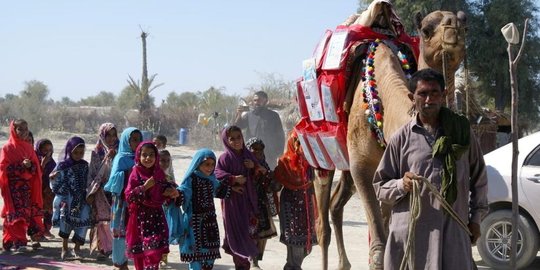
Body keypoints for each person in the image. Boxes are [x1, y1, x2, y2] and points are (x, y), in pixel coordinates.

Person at [372, 68, 488, 269]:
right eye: (422, 94)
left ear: (443, 95)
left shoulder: (462, 133)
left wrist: (476, 219)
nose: (429, 99)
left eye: (434, 93)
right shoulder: (401, 139)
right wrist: (402, 184)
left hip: (454, 232)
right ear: (412, 97)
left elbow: (479, 179)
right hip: (413, 237)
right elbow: (380, 187)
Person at [177, 148, 242, 270]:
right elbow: (183, 193)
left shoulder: (211, 180)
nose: (210, 168)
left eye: (212, 165)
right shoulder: (191, 180)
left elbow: (219, 190)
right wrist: (176, 195)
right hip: (193, 225)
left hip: (209, 225)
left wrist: (232, 189)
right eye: (206, 164)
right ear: (198, 163)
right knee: (195, 260)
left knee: (209, 259)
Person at [214, 126, 266, 270]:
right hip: (233, 204)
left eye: (239, 137)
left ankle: (246, 264)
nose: (237, 141)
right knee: (236, 233)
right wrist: (233, 180)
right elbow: (217, 176)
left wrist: (253, 167)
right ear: (226, 140)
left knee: (249, 234)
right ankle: (241, 265)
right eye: (232, 138)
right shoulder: (225, 158)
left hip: (249, 202)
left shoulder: (248, 155)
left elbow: (260, 174)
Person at [124, 141, 179, 270]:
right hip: (139, 219)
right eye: (144, 155)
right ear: (138, 156)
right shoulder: (135, 173)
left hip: (156, 218)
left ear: (156, 157)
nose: (148, 158)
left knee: (154, 251)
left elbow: (165, 190)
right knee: (140, 254)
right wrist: (144, 187)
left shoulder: (159, 174)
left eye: (151, 155)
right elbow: (129, 196)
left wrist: (172, 192)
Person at [273, 131, 318, 270]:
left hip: (306, 203)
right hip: (290, 206)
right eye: (297, 142)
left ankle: (292, 265)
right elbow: (277, 185)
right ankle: (293, 266)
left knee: (306, 245)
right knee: (293, 240)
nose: (300, 146)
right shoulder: (284, 162)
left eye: (303, 142)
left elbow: (317, 182)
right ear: (291, 143)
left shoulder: (311, 162)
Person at [0, 119, 44, 252]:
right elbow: (3, 168)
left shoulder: (28, 147)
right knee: (16, 214)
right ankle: (20, 242)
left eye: (26, 129)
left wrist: (30, 166)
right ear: (14, 130)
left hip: (26, 188)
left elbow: (35, 168)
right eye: (20, 129)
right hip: (12, 188)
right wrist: (20, 166)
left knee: (24, 214)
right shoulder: (7, 148)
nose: (24, 132)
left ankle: (9, 240)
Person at [104, 127, 142, 270]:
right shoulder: (121, 158)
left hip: (136, 203)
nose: (137, 142)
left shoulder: (142, 157)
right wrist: (131, 172)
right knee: (120, 233)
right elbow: (114, 183)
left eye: (139, 139)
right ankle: (118, 263)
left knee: (134, 233)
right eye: (134, 139)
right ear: (127, 140)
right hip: (121, 203)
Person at [50, 136, 92, 260]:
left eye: (81, 153)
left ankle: (77, 248)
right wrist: (54, 178)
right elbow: (54, 184)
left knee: (83, 222)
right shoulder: (62, 166)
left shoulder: (85, 165)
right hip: (66, 200)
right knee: (65, 223)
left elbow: (88, 180)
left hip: (82, 200)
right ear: (69, 151)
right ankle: (64, 247)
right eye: (75, 152)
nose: (79, 155)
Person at [86, 123, 118, 259]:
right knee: (102, 221)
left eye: (114, 135)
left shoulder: (121, 150)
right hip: (100, 190)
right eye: (108, 135)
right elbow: (92, 172)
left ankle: (113, 247)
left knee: (114, 219)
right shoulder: (96, 151)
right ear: (102, 135)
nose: (111, 138)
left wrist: (115, 156)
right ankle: (103, 248)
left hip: (116, 190)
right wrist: (91, 192)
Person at [245, 137, 280, 263]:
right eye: (254, 149)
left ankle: (256, 261)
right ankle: (251, 261)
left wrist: (265, 173)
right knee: (250, 232)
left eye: (260, 149)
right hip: (248, 204)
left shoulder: (264, 164)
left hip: (262, 204)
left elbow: (273, 185)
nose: (258, 152)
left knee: (261, 234)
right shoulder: (245, 164)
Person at [233, 91, 285, 170]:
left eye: (259, 100)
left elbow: (280, 134)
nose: (257, 102)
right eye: (255, 100)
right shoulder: (249, 115)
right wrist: (239, 114)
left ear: (266, 101)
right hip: (251, 153)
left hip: (269, 153)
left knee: (269, 175)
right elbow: (237, 127)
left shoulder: (273, 115)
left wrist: (279, 152)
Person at [159, 149, 178, 266]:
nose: (165, 163)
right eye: (162, 160)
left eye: (167, 161)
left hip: (167, 210)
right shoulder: (153, 176)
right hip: (155, 210)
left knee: (166, 233)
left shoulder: (169, 176)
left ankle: (164, 257)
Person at [35, 138, 57, 240]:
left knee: (49, 211)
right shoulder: (35, 160)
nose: (48, 153)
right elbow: (35, 174)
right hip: (38, 188)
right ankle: (38, 231)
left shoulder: (52, 163)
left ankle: (46, 230)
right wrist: (42, 164)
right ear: (39, 150)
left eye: (50, 150)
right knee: (39, 211)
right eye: (45, 150)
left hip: (49, 191)